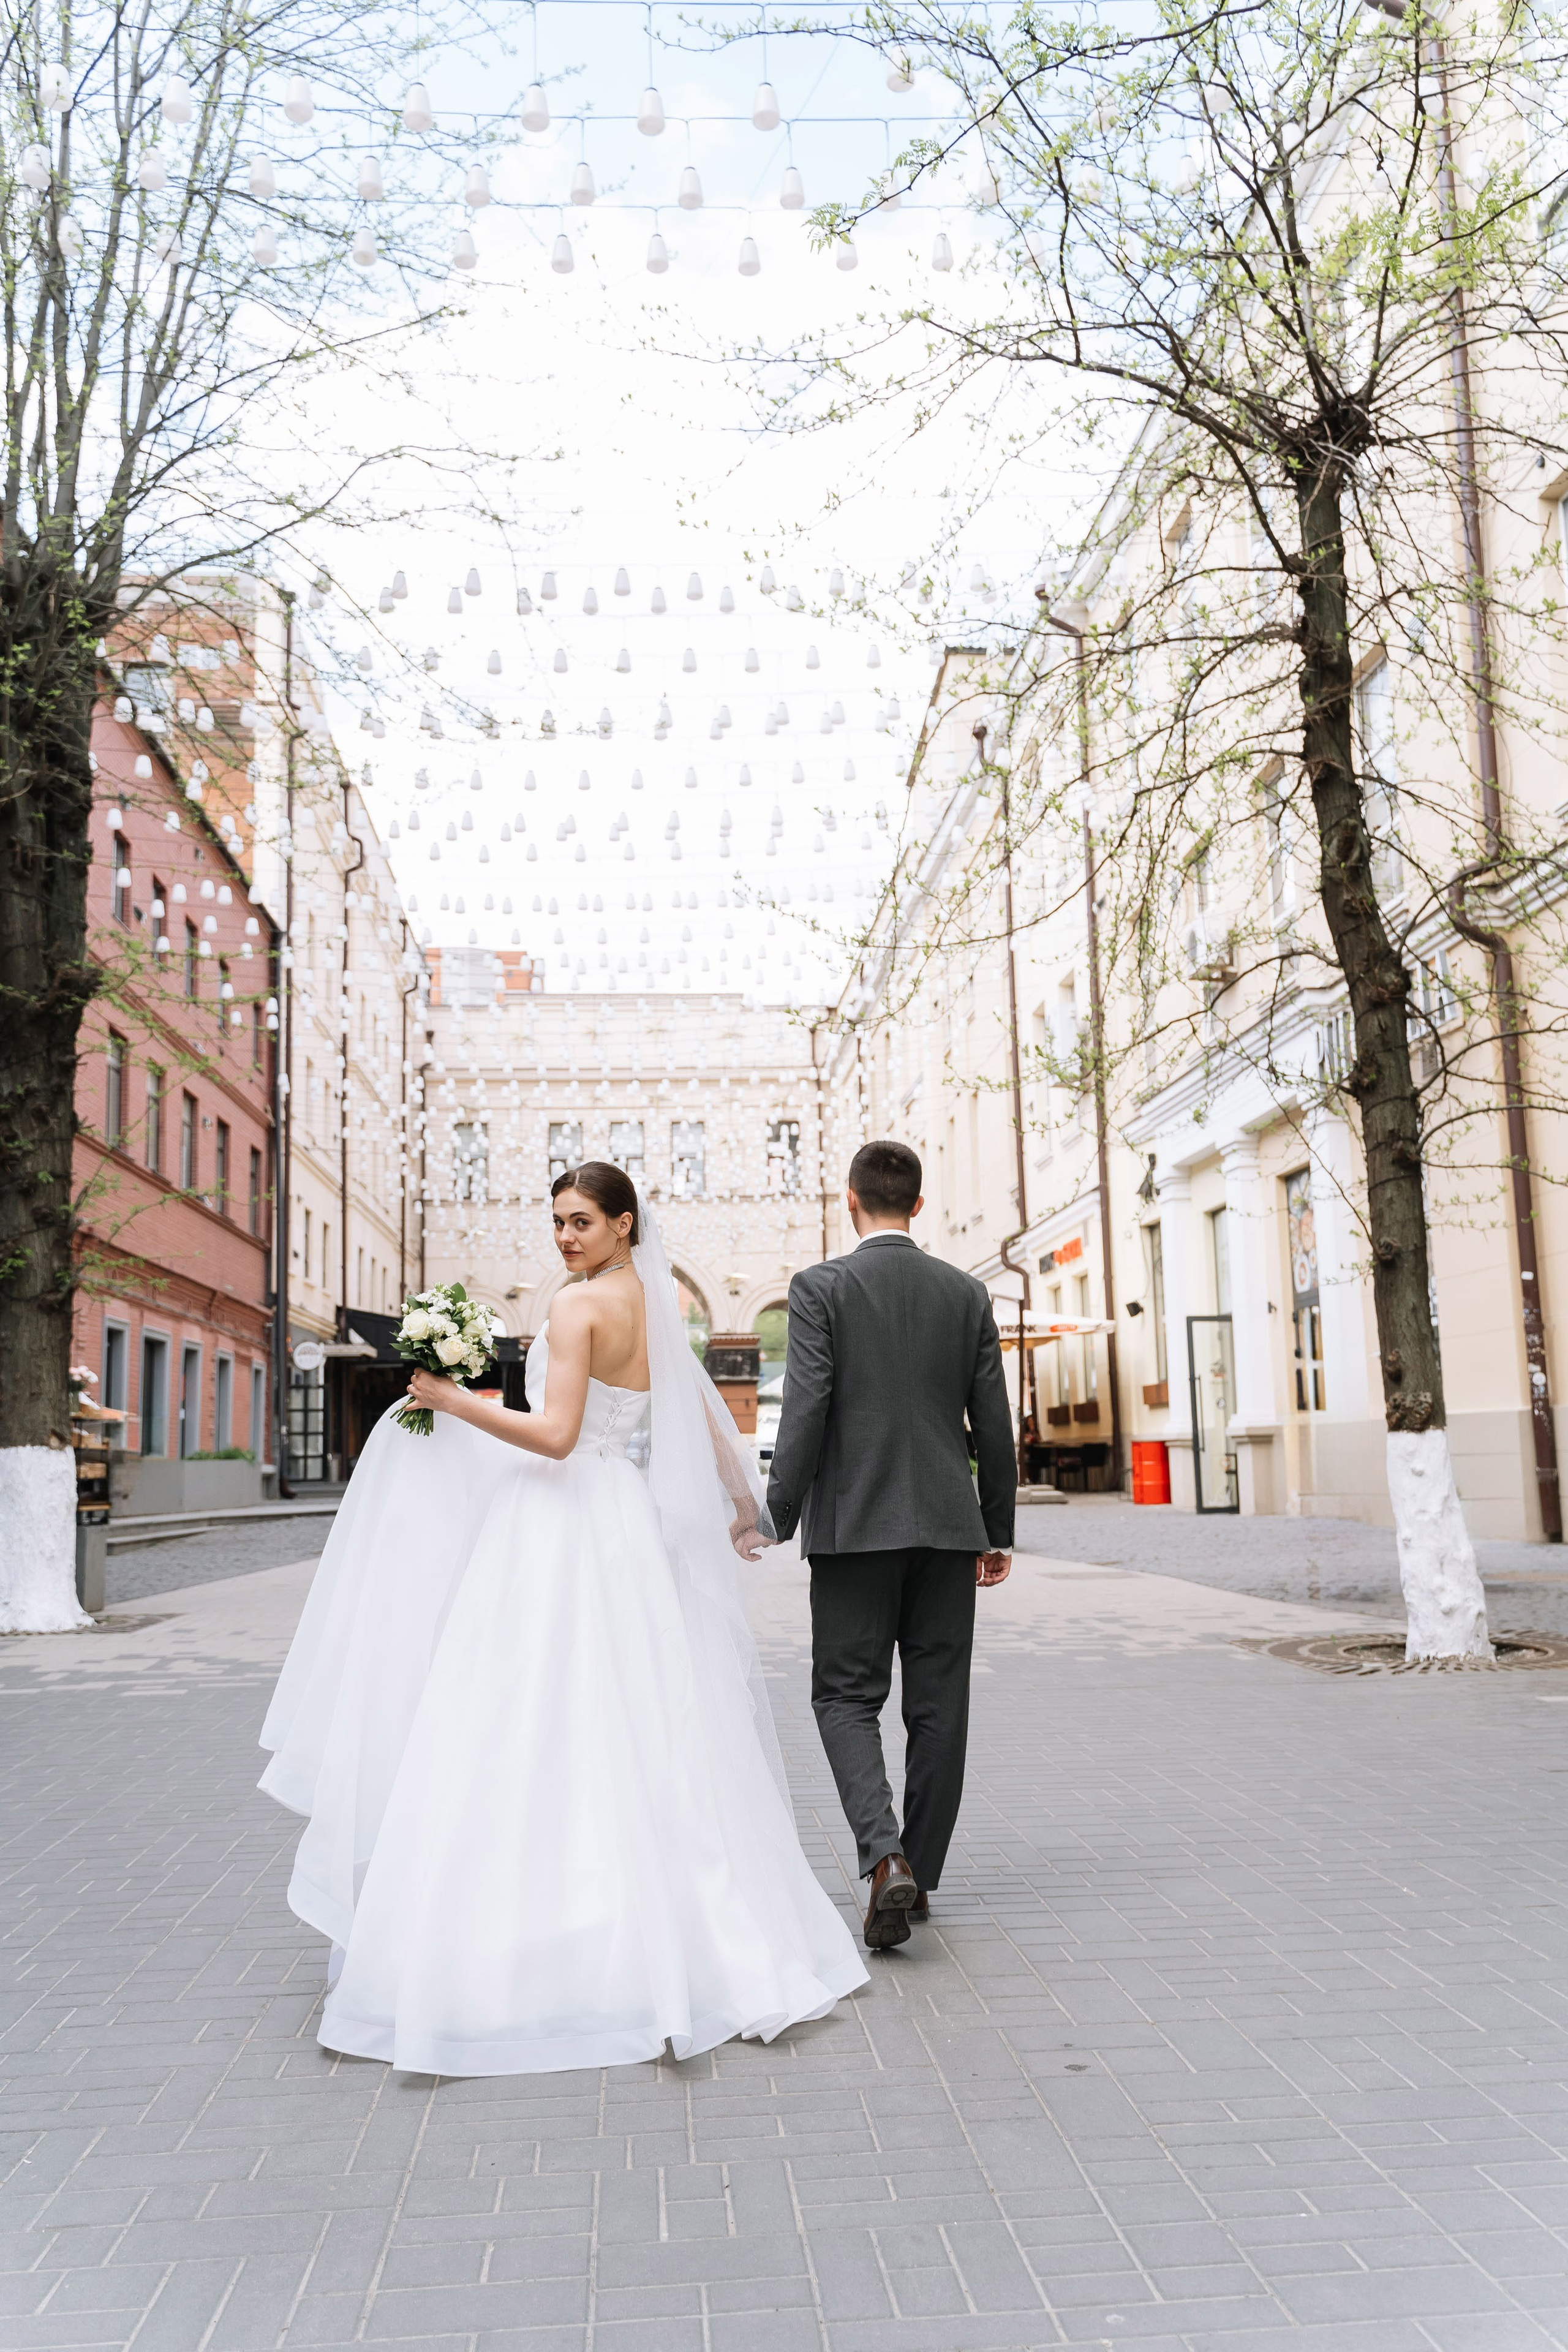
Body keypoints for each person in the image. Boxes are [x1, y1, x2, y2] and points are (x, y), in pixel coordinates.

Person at [258, 1163, 867, 2075]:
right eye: (557, 1221)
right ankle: (685, 1931)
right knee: (642, 1717)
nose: (566, 1236)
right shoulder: (654, 1305)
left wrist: (452, 1400)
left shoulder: (578, 1310)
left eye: (582, 1221)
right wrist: (744, 1507)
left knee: (530, 1713)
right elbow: (698, 1421)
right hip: (630, 1527)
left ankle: (541, 1935)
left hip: (562, 1519)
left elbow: (553, 1434)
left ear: (625, 1223)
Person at [766, 1140, 1016, 1951]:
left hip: (854, 1530)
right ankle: (920, 1874)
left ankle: (884, 1859)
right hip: (949, 1527)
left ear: (849, 1200)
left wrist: (776, 1511)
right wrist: (996, 1527)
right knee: (940, 1705)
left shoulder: (822, 1287)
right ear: (917, 1204)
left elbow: (806, 1410)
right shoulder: (965, 1292)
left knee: (844, 1696)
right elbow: (994, 1423)